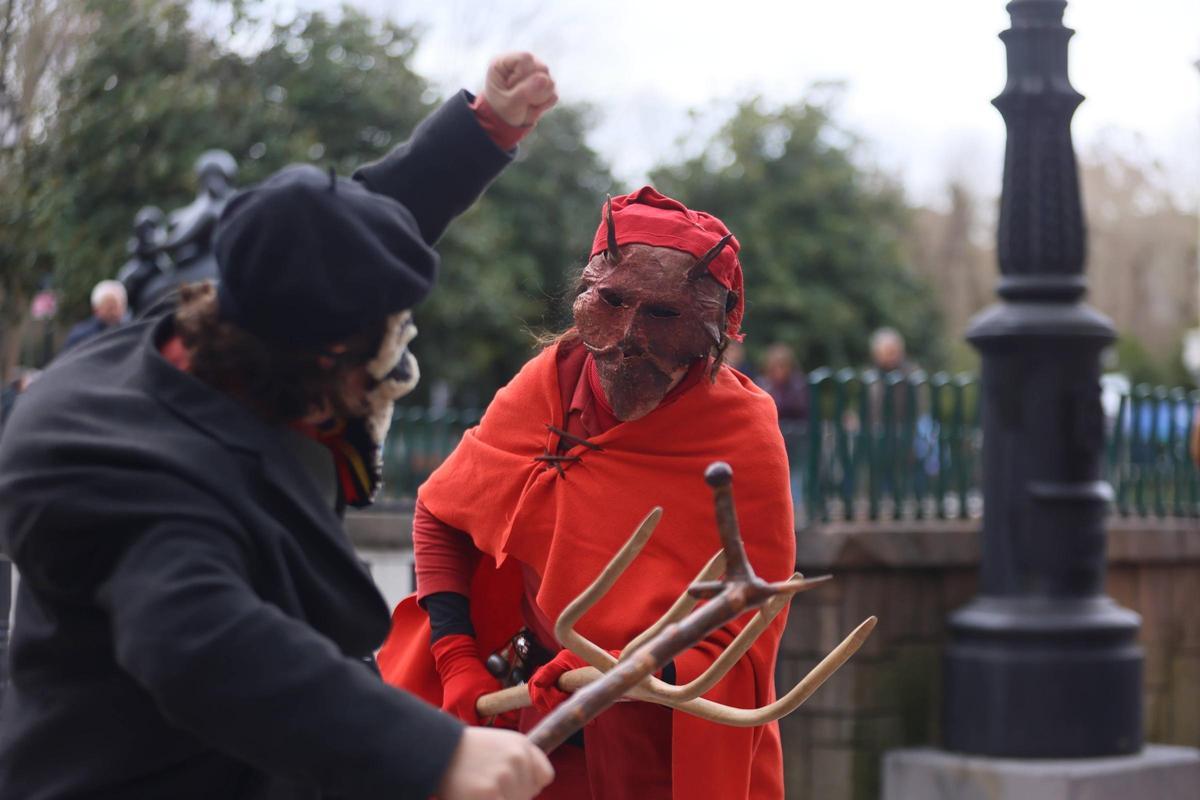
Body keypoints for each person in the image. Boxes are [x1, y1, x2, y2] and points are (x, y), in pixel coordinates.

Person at [0, 52, 558, 800]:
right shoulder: (118, 463)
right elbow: (202, 647)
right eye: (386, 347)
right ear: (330, 357)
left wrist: (483, 126)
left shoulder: (229, 326)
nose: (393, 364)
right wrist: (431, 754)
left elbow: (337, 239)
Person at [379, 187, 796, 799]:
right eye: (613, 301)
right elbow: (441, 512)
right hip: (526, 726)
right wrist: (456, 658)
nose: (629, 337)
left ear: (716, 330)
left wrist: (625, 665)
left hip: (657, 752)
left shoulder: (742, 433)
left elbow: (744, 619)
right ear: (586, 295)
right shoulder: (549, 381)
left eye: (663, 315)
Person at [60, 279, 128, 352]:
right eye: (110, 308)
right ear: (96, 309)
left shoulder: (128, 332)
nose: (115, 312)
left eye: (121, 306)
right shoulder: (81, 336)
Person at [759, 342, 808, 423]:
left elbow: (803, 412)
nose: (779, 371)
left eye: (782, 366)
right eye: (774, 367)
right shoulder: (762, 384)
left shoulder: (798, 385)